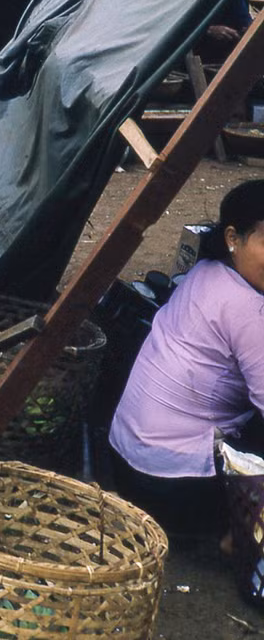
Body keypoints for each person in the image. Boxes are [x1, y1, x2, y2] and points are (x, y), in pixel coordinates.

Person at [109, 179, 264, 537]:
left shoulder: (204, 272)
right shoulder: (249, 309)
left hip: (127, 462)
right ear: (232, 238)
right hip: (174, 486)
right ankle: (233, 536)